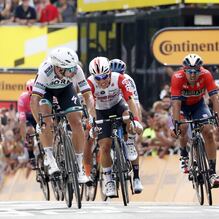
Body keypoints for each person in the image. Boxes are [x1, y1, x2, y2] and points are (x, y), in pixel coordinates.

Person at [30, 47, 96, 184]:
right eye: (69, 69)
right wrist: (38, 122)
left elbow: (88, 96)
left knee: (77, 122)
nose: (73, 72)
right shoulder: (45, 71)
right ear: (59, 68)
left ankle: (78, 168)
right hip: (46, 91)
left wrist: (89, 113)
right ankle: (49, 158)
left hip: (65, 90)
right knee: (46, 119)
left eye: (74, 68)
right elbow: (34, 101)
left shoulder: (76, 69)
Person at [87, 56, 143, 197]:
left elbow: (131, 101)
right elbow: (90, 106)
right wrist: (93, 123)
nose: (101, 81)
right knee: (104, 146)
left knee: (126, 115)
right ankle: (109, 180)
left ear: (110, 73)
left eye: (104, 77)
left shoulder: (120, 78)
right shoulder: (89, 83)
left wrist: (135, 120)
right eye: (97, 78)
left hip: (118, 106)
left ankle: (129, 143)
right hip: (100, 111)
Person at [171, 53, 219, 188]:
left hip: (198, 106)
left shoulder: (206, 75)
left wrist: (218, 118)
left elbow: (215, 99)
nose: (192, 75)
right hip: (182, 106)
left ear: (200, 70)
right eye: (189, 71)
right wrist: (175, 124)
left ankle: (212, 172)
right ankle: (183, 154)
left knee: (209, 132)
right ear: (184, 70)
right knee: (182, 128)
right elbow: (176, 104)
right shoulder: (177, 77)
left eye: (196, 71)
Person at [108, 58, 144, 194]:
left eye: (120, 74)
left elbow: (135, 103)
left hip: (125, 107)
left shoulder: (127, 80)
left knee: (131, 135)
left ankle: (136, 177)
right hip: (109, 107)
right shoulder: (104, 79)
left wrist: (137, 122)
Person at [17, 78, 37, 168]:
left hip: (37, 113)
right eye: (30, 96)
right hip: (28, 116)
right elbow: (22, 121)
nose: (32, 98)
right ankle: (31, 156)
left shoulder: (41, 96)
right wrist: (25, 139)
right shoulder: (22, 98)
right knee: (29, 131)